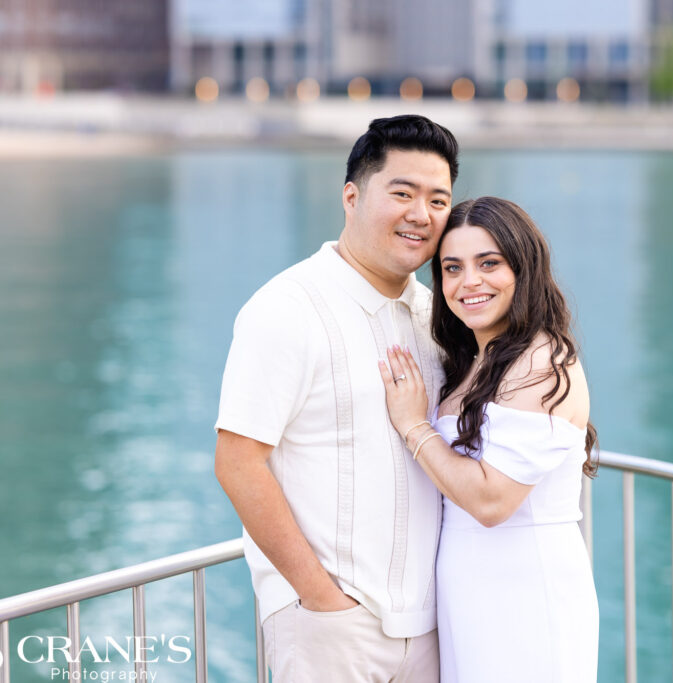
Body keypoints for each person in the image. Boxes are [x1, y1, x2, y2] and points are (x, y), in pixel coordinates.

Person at [214, 115, 459, 683]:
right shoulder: (287, 308)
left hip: (430, 624)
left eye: (438, 199)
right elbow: (236, 460)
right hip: (332, 625)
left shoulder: (436, 317)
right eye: (402, 193)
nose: (421, 214)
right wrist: (319, 598)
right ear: (351, 196)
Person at [378, 196, 600, 683]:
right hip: (470, 592)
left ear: (524, 267)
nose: (468, 282)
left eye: (489, 263)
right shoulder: (474, 361)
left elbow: (491, 500)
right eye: (452, 268)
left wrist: (414, 425)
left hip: (526, 591)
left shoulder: (543, 362)